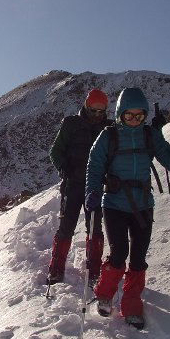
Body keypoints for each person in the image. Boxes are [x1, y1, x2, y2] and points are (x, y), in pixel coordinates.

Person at [84, 87, 170, 329]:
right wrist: (92, 191)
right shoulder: (108, 137)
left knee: (139, 258)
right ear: (120, 114)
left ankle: (131, 304)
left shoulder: (150, 136)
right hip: (114, 204)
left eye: (139, 116)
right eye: (128, 116)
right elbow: (94, 165)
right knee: (119, 252)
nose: (134, 121)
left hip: (143, 204)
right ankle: (104, 293)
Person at [47, 89, 114, 286]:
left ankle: (94, 270)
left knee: (94, 228)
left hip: (96, 185)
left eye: (101, 111)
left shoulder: (109, 128)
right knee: (66, 226)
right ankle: (56, 268)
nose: (97, 114)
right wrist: (63, 166)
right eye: (94, 110)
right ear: (87, 105)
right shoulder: (71, 124)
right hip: (73, 183)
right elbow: (55, 151)